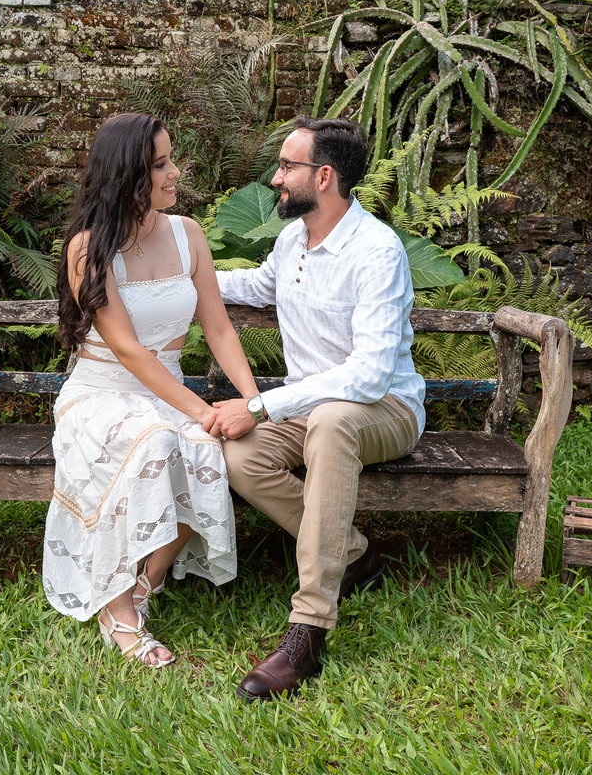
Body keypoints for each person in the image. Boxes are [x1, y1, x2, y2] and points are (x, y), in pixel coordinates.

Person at [212, 116, 426, 700]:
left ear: (324, 176)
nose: (276, 178)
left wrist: (259, 404)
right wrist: (186, 275)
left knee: (331, 419)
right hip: (310, 408)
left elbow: (367, 374)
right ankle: (355, 555)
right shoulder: (292, 239)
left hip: (382, 409)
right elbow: (257, 286)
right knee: (237, 456)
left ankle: (307, 629)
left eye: (287, 167)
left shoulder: (377, 252)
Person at [43, 113, 260, 668]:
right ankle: (116, 613)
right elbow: (130, 351)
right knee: (158, 441)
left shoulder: (188, 235)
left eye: (171, 161)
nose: (175, 173)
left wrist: (252, 401)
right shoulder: (88, 248)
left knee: (204, 450)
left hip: (165, 393)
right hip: (101, 394)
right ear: (129, 175)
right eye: (161, 164)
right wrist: (204, 409)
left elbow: (219, 328)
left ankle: (145, 584)